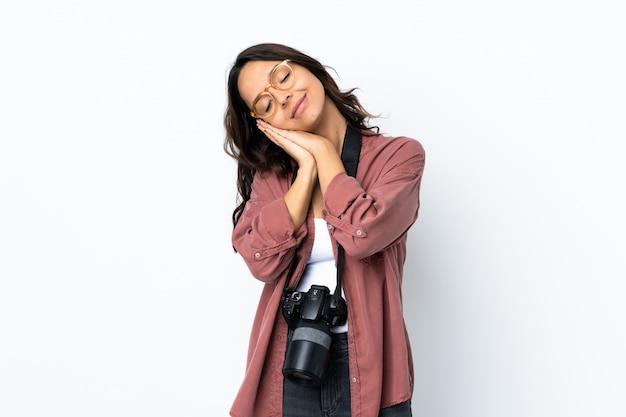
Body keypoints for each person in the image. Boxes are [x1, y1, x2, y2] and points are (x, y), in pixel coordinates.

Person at [223, 43, 426, 417]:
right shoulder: (274, 179)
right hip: (289, 355)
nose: (282, 98)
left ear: (308, 68)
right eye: (266, 105)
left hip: (370, 362)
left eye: (282, 76)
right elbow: (260, 261)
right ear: (265, 125)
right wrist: (306, 170)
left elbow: (362, 233)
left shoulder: (399, 156)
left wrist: (324, 151)